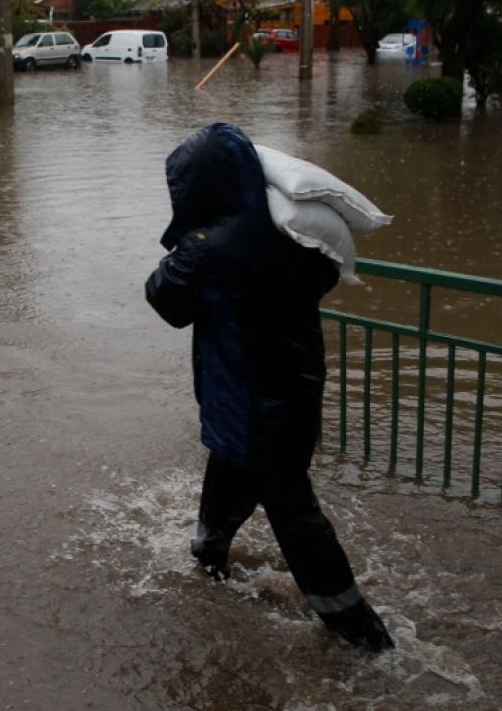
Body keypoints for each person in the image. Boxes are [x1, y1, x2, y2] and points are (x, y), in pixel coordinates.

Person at [144, 122, 394, 652]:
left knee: (296, 518)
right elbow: (323, 278)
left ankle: (363, 637)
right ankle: (207, 565)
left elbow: (165, 299)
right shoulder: (293, 233)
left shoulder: (213, 247)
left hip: (251, 406)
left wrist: (190, 240)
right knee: (225, 486)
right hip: (293, 391)